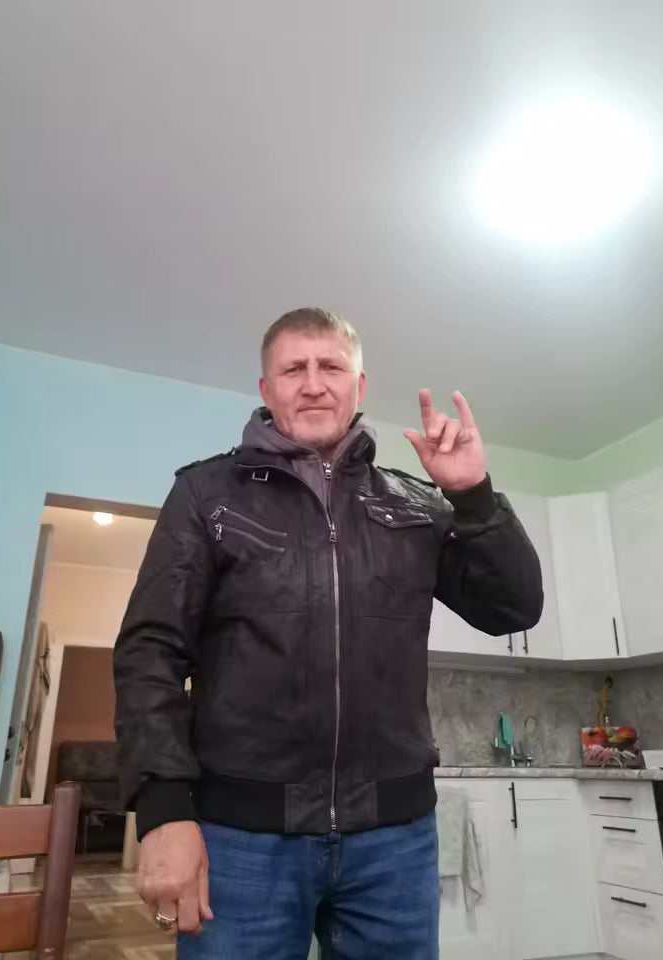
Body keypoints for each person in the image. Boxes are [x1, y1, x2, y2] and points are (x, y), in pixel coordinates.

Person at [113, 307, 543, 959]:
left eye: (331, 367)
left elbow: (512, 609)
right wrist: (164, 807)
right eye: (294, 369)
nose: (313, 384)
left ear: (358, 386)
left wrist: (474, 498)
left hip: (394, 840)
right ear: (267, 389)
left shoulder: (417, 503)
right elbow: (151, 651)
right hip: (241, 835)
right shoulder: (205, 494)